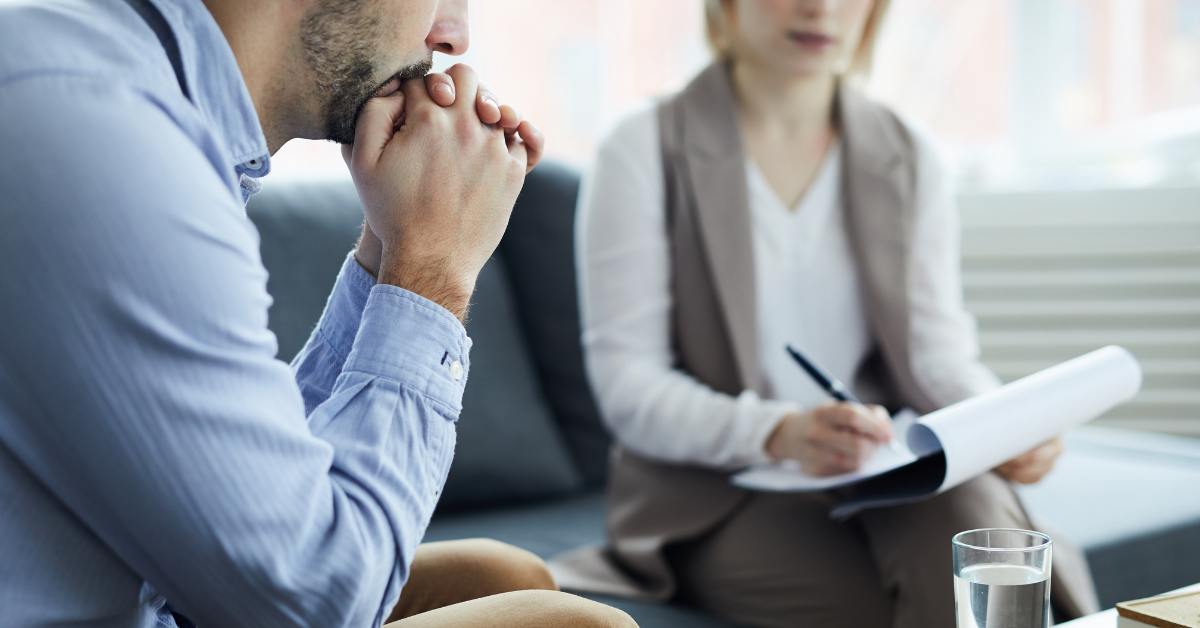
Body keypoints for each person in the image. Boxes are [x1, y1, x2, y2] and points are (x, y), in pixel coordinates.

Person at [0, 0, 638, 627]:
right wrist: (435, 272)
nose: (454, 36)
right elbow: (311, 601)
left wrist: (392, 246)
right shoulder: (104, 147)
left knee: (506, 575)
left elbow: (246, 483)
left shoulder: (140, 100)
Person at [566, 1, 1101, 627]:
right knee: (925, 604)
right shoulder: (642, 150)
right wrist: (777, 432)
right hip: (719, 493)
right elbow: (629, 385)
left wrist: (1002, 425)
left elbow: (937, 354)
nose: (820, 6)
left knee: (981, 540)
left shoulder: (908, 152)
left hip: (882, 463)